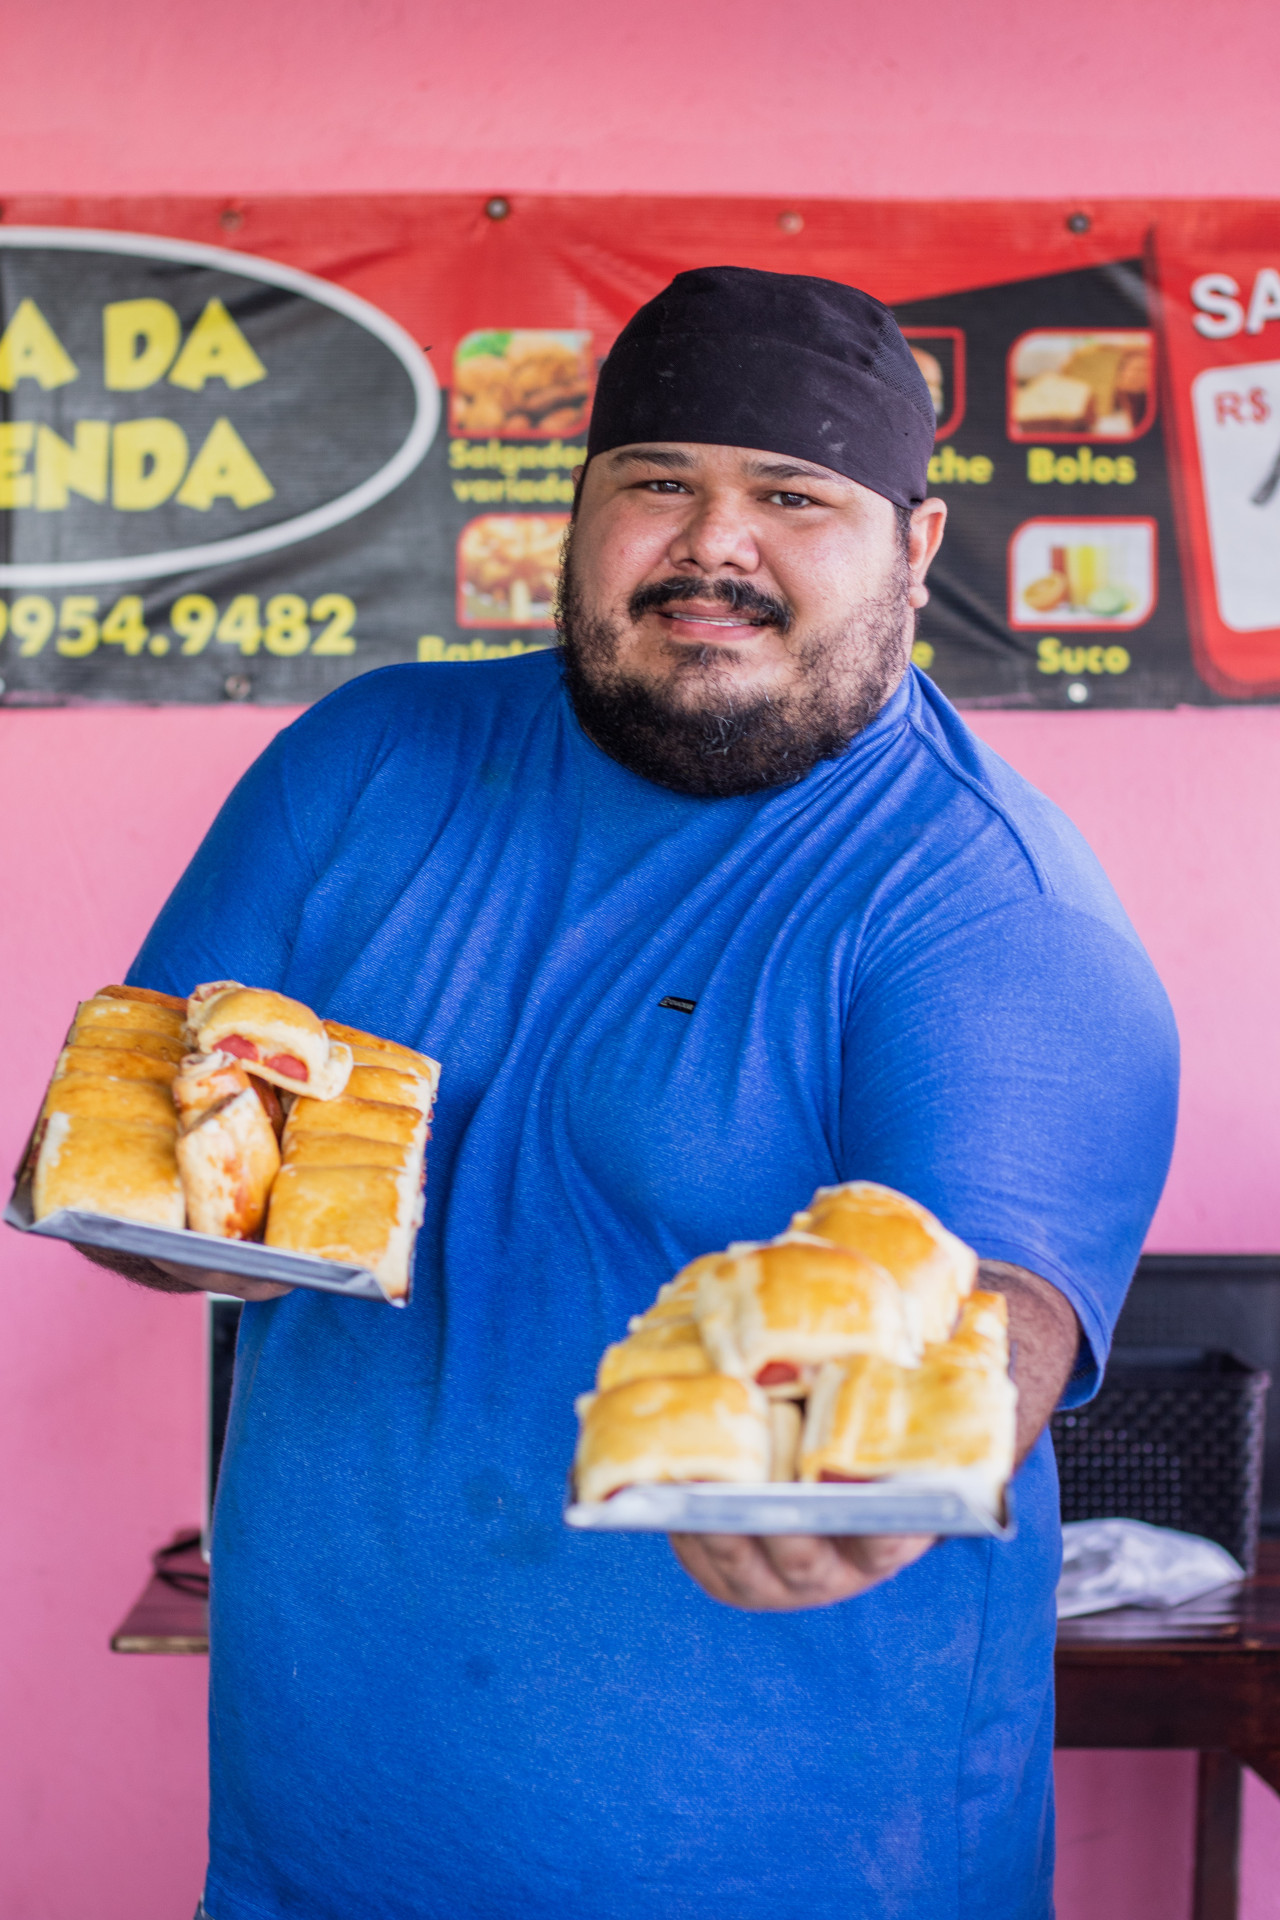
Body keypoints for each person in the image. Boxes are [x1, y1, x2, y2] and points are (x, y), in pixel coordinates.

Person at [95, 267, 1178, 1918]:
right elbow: (146, 1144)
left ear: (917, 547)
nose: (711, 548)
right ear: (580, 509)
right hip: (312, 1861)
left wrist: (884, 1471)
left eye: (791, 499)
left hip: (800, 1881)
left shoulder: (985, 905)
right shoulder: (366, 761)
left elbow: (990, 1306)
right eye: (656, 482)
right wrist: (159, 1228)